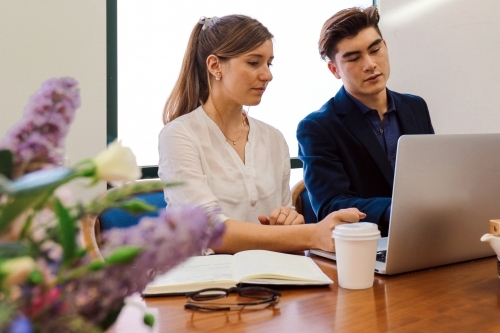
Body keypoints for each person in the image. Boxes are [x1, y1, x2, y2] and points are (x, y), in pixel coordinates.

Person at [158, 14, 364, 254]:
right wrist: (311, 233)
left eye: (269, 63)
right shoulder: (178, 136)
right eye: (254, 63)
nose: (267, 75)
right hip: (206, 285)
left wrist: (289, 221)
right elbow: (209, 232)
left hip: (267, 277)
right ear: (215, 66)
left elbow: (287, 217)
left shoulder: (273, 139)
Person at [297, 6, 434, 237]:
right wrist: (395, 210)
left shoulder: (415, 107)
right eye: (353, 58)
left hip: (427, 234)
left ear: (385, 47)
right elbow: (331, 205)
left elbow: (432, 177)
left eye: (375, 49)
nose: (370, 64)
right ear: (334, 70)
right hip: (366, 245)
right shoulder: (317, 127)